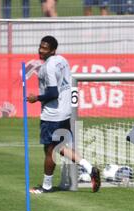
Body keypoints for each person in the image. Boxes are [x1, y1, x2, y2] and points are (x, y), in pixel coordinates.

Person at [27, 35, 100, 194]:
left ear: (53, 50)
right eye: (40, 47)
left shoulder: (48, 68)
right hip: (66, 112)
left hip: (53, 114)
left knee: (49, 150)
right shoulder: (62, 60)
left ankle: (46, 187)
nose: (41, 50)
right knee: (59, 147)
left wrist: (36, 98)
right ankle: (89, 167)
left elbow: (53, 92)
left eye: (45, 48)